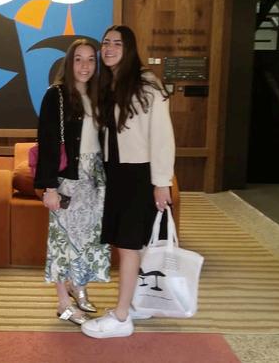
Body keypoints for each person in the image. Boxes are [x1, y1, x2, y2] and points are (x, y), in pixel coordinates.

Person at [81, 25, 175, 339]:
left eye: (117, 44)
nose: (108, 48)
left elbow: (162, 137)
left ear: (129, 48)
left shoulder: (146, 84)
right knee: (130, 243)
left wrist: (161, 181)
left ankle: (121, 317)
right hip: (116, 172)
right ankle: (136, 304)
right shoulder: (110, 83)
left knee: (129, 245)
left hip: (139, 174)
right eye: (105, 42)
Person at [34, 38, 111, 326]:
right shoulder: (56, 95)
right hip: (68, 178)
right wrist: (49, 187)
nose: (85, 66)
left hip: (95, 178)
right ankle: (63, 303)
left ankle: (78, 287)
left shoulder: (99, 94)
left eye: (91, 59)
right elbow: (48, 142)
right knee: (62, 239)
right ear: (69, 63)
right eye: (78, 59)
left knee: (88, 238)